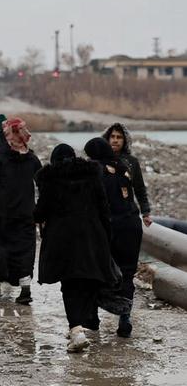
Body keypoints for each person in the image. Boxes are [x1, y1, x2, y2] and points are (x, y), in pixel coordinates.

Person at [34, 144, 118, 352]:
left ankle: (76, 330)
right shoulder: (92, 175)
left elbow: (40, 212)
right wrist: (106, 238)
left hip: (62, 239)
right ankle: (79, 325)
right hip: (92, 236)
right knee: (89, 280)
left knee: (69, 284)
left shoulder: (50, 179)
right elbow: (104, 207)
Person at [85, 137, 143, 338]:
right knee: (127, 274)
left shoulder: (94, 171)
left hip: (108, 228)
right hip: (132, 226)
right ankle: (124, 318)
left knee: (97, 271)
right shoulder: (123, 168)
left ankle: (92, 319)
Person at [0, 117, 42, 304]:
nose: (23, 135)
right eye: (20, 131)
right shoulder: (28, 159)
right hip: (14, 215)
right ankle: (13, 286)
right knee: (16, 251)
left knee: (9, 250)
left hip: (10, 215)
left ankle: (11, 286)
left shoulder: (4, 157)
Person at [102, 123, 153, 227]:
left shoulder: (131, 162)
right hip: (105, 217)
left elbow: (140, 189)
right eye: (112, 136)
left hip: (128, 216)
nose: (115, 140)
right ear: (107, 138)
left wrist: (145, 213)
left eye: (119, 137)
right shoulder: (98, 161)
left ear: (125, 140)